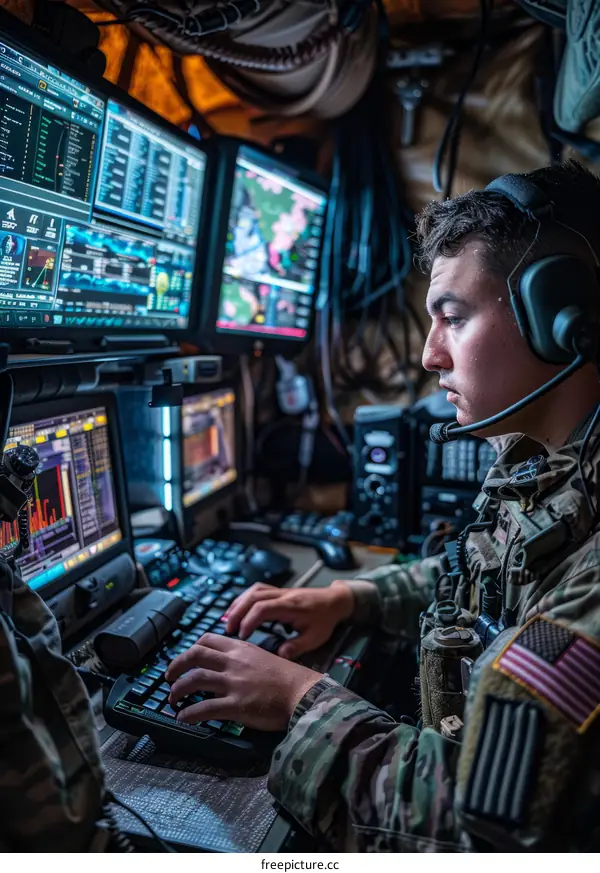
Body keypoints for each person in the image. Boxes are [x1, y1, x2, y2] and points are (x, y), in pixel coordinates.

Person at [166, 160, 600, 852]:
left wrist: (300, 699)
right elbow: (497, 572)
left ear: (560, 318)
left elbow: (475, 838)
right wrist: (350, 597)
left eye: (452, 317)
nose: (429, 356)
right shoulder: (555, 465)